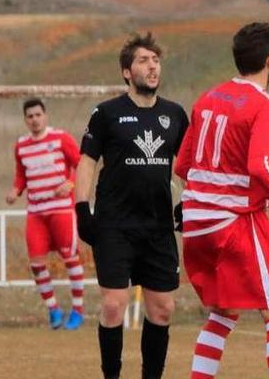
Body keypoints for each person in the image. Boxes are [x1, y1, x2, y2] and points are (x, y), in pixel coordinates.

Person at [174, 22, 269, 379]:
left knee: (224, 311)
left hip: (196, 226)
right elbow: (260, 167)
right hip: (235, 223)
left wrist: (217, 194)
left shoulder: (208, 98)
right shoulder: (265, 105)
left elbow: (182, 166)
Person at [74, 32, 189, 379]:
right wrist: (82, 208)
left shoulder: (175, 115)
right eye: (143, 60)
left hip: (157, 227)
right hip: (114, 225)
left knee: (163, 309)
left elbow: (187, 165)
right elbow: (87, 162)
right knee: (113, 305)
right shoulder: (106, 113)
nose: (152, 67)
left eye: (156, 61)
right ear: (127, 71)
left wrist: (189, 200)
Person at [6, 97, 85, 330]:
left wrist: (70, 184)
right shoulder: (21, 146)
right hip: (36, 212)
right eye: (30, 116)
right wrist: (15, 190)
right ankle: (53, 309)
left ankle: (78, 311)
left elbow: (81, 164)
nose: (34, 120)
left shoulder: (60, 138)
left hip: (61, 209)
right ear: (25, 120)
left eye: (38, 115)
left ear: (45, 116)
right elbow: (21, 175)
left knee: (70, 258)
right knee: (36, 263)